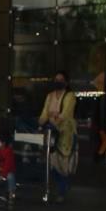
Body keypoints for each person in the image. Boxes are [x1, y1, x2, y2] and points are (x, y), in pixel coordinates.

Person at [38, 70, 78, 203]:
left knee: (64, 164)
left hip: (66, 134)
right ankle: (61, 189)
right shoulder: (49, 96)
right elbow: (44, 114)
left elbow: (65, 114)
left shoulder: (70, 96)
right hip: (52, 133)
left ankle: (62, 190)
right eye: (56, 80)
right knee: (52, 163)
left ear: (66, 82)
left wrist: (54, 119)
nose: (58, 82)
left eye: (61, 80)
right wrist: (40, 123)